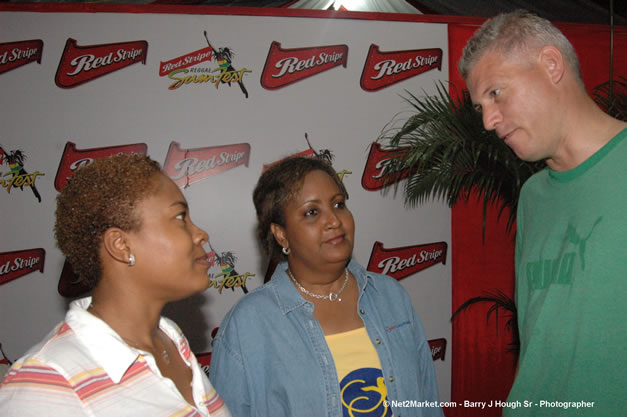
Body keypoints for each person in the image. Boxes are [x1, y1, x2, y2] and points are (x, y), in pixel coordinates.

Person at [459, 10, 626, 417]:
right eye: (480, 106)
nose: (488, 121)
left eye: (496, 93)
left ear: (551, 65)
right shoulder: (533, 196)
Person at [0, 154, 231, 417]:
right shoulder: (46, 385)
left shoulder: (170, 338)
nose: (201, 234)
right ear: (121, 246)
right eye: (180, 217)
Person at [210, 156, 443, 417]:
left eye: (339, 204)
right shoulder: (248, 325)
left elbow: (428, 402)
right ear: (281, 234)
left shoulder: (390, 295)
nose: (334, 220)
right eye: (312, 212)